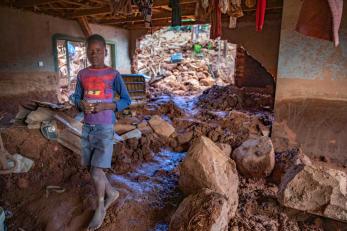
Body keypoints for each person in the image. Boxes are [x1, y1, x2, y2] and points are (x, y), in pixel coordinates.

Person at [73, 34, 131, 230]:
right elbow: (76, 98)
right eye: (91, 51)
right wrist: (80, 103)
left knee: (97, 171)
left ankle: (100, 207)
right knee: (92, 168)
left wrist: (107, 105)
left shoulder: (113, 74)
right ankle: (112, 193)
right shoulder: (82, 74)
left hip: (105, 127)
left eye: (98, 50)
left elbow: (126, 100)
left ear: (105, 52)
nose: (94, 54)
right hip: (87, 127)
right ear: (87, 52)